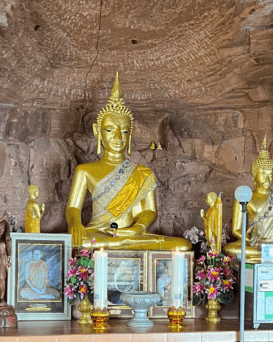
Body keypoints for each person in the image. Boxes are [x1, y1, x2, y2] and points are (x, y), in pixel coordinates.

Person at [65, 74, 191, 251]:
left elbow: (150, 211)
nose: (117, 137)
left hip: (133, 235)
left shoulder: (143, 173)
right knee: (78, 242)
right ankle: (120, 244)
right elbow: (73, 208)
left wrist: (138, 229)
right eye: (109, 130)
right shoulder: (85, 170)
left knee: (183, 245)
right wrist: (75, 225)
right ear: (97, 131)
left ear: (130, 135)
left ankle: (123, 242)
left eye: (123, 132)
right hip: (98, 233)